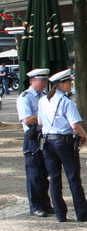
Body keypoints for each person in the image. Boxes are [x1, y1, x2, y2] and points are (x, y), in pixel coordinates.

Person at [38, 69, 87, 223]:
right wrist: (85, 135)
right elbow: (75, 125)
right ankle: (82, 214)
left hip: (47, 141)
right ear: (61, 84)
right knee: (73, 178)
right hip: (63, 142)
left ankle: (60, 214)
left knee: (55, 179)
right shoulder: (66, 102)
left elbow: (40, 123)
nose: (71, 84)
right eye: (69, 82)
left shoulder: (43, 100)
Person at [16, 68, 53, 217]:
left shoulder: (44, 96)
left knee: (44, 172)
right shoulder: (25, 97)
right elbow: (26, 119)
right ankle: (35, 206)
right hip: (32, 136)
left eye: (45, 80)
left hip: (45, 135)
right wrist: (44, 114)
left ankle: (45, 204)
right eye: (41, 80)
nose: (44, 83)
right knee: (34, 173)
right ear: (32, 81)